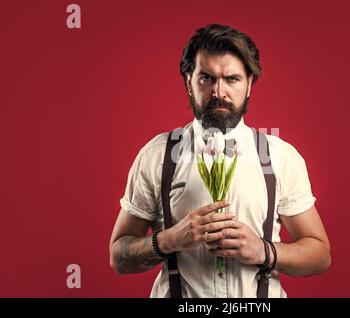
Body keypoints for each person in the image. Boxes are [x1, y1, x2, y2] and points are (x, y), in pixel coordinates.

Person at [109, 24, 331, 298]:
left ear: (250, 84)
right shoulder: (157, 155)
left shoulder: (279, 157)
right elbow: (119, 257)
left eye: (232, 79)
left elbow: (320, 254)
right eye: (207, 78)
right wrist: (169, 239)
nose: (219, 92)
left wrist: (264, 250)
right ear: (188, 81)